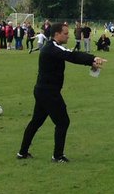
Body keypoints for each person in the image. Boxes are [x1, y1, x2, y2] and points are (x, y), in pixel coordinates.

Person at [17, 22, 107, 162]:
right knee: (63, 122)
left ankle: (22, 153)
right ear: (57, 34)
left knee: (36, 122)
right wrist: (92, 58)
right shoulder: (52, 48)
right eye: (65, 33)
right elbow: (71, 56)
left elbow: (70, 57)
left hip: (42, 90)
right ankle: (57, 156)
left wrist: (90, 63)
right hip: (49, 93)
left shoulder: (52, 48)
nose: (68, 35)